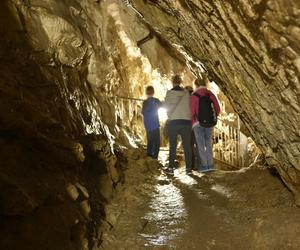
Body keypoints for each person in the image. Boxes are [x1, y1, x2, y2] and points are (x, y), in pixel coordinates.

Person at [191, 75, 221, 172]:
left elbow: (191, 112)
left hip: (197, 123)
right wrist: (212, 116)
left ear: (196, 85)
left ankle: (204, 166)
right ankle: (210, 164)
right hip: (209, 122)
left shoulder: (194, 96)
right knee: (208, 143)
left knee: (200, 145)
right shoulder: (210, 94)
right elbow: (218, 109)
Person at [164, 75, 192, 174]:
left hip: (174, 122)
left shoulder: (169, 93)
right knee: (187, 146)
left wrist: (170, 115)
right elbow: (190, 107)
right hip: (186, 122)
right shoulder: (187, 94)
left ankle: (171, 168)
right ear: (180, 82)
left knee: (173, 146)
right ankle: (189, 169)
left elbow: (166, 107)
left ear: (172, 82)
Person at [142, 86, 161, 159]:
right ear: (153, 93)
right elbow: (162, 105)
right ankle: (155, 156)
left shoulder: (145, 102)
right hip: (155, 125)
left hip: (148, 126)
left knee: (150, 141)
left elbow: (143, 112)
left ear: (146, 93)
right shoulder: (156, 100)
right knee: (157, 142)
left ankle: (149, 155)